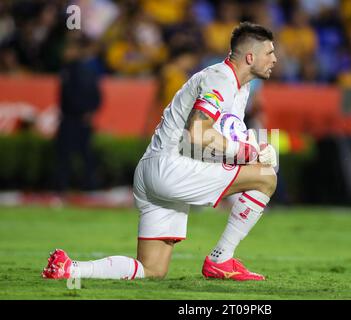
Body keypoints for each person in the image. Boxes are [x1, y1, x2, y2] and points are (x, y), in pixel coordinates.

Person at [42, 22, 278, 281]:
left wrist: (257, 148)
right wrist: (247, 153)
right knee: (266, 177)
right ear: (250, 57)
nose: (275, 59)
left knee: (152, 270)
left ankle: (70, 268)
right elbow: (198, 133)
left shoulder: (238, 87)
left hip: (153, 170)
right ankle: (221, 259)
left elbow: (222, 138)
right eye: (270, 53)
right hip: (172, 168)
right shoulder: (221, 78)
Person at [54, 34, 101, 192]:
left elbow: (94, 94)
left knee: (77, 154)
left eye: (69, 49)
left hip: (76, 118)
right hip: (72, 117)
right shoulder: (69, 69)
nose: (65, 52)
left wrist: (87, 111)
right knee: (75, 154)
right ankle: (75, 185)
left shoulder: (81, 70)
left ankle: (82, 186)